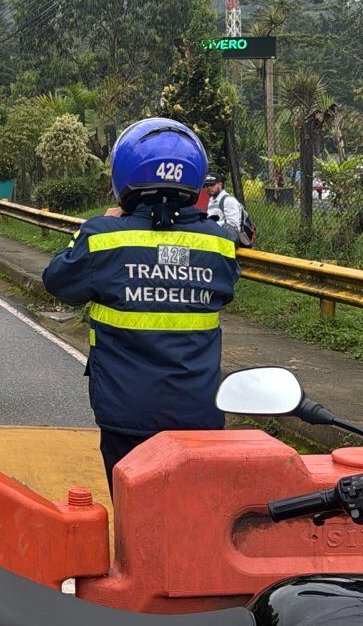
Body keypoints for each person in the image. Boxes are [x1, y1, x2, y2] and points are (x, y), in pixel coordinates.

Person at [41, 118, 242, 485]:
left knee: (136, 516)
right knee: (193, 517)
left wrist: (98, 225)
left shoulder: (104, 237)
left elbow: (58, 281)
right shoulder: (218, 241)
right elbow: (225, 291)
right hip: (198, 412)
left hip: (126, 412)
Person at [204, 174, 246, 242]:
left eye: (212, 185)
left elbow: (233, 224)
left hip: (227, 240)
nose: (209, 187)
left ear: (220, 184)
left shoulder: (229, 200)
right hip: (216, 238)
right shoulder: (211, 200)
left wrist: (211, 226)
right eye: (206, 185)